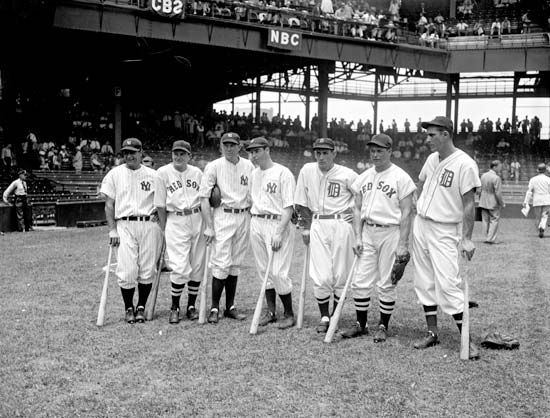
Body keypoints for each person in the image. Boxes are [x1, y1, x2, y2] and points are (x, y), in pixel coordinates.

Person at [412, 116, 481, 360]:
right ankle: (432, 332)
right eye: (427, 134)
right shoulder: (432, 159)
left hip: (445, 228)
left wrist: (467, 238)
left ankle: (467, 340)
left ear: (446, 134)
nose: (427, 139)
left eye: (432, 135)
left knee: (448, 284)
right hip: (422, 224)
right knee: (424, 281)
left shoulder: (465, 164)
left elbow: (469, 203)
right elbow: (421, 184)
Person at [341, 134, 415, 341]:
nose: (375, 154)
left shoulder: (401, 177)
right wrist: (357, 236)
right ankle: (361, 324)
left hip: (391, 231)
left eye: (380, 150)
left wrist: (403, 244)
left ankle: (383, 325)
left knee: (386, 282)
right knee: (360, 280)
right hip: (367, 231)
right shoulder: (363, 177)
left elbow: (407, 212)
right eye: (372, 150)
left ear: (390, 151)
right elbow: (356, 209)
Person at [294, 137, 358, 333]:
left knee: (340, 273)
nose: (321, 157)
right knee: (321, 275)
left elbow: (363, 196)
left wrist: (354, 211)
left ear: (334, 153)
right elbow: (300, 200)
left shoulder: (348, 174)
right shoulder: (307, 170)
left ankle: (335, 314)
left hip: (341, 224)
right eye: (318, 153)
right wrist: (305, 226)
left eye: (325, 153)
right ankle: (324, 316)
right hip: (318, 223)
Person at [100, 138, 163, 324]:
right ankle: (129, 307)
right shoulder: (114, 174)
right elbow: (109, 204)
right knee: (127, 270)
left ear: (140, 152)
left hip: (149, 224)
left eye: (133, 152)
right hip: (124, 224)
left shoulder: (154, 175)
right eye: (126, 152)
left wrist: (160, 215)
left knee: (147, 269)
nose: (129, 155)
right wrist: (112, 230)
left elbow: (162, 202)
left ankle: (141, 306)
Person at [199, 132, 254, 324]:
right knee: (221, 263)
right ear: (221, 146)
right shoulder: (213, 166)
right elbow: (204, 198)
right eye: (225, 144)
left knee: (235, 263)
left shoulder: (249, 166)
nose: (229, 148)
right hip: (223, 215)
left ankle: (230, 306)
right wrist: (209, 226)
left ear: (239, 146)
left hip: (243, 215)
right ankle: (214, 307)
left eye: (232, 144)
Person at [247, 137, 297, 329]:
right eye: (251, 152)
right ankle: (271, 312)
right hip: (257, 221)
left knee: (278, 271)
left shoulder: (283, 173)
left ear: (267, 150)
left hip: (277, 223)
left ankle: (289, 313)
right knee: (263, 270)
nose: (253, 155)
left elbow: (288, 206)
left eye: (257, 151)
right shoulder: (254, 174)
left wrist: (279, 232)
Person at [155, 140, 206, 323]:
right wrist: (164, 226)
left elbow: (205, 199)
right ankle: (174, 306)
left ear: (189, 156)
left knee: (197, 263)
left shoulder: (197, 173)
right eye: (175, 153)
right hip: (175, 218)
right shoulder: (162, 172)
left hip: (197, 216)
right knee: (179, 265)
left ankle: (191, 306)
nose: (178, 156)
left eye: (182, 153)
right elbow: (160, 204)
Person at [479, 160, 505, 244]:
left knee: (485, 220)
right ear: (494, 167)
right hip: (492, 201)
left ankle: (485, 237)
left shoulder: (483, 175)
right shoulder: (496, 178)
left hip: (483, 200)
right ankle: (491, 238)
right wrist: (501, 202)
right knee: (494, 219)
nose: (500, 168)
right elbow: (498, 192)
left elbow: (479, 189)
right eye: (499, 167)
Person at [523, 163, 550, 238]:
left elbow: (529, 191)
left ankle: (539, 229)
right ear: (545, 170)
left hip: (537, 200)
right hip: (547, 200)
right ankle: (542, 228)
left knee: (537, 217)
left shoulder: (533, 179)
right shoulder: (548, 179)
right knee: (545, 216)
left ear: (537, 170)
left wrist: (526, 201)